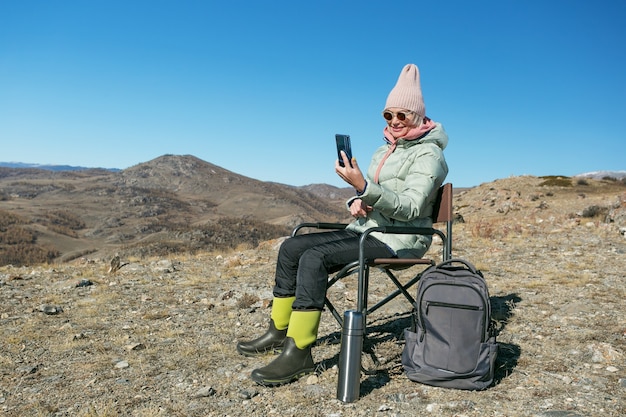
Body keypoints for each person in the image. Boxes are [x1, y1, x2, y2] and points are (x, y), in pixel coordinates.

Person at [236, 63, 449, 386]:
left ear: (419, 116)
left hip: (400, 238)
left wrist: (364, 187)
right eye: (388, 115)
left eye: (402, 115)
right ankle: (278, 332)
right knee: (292, 246)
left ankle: (300, 352)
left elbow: (411, 207)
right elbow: (379, 195)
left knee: (315, 257)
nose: (394, 122)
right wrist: (359, 200)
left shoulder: (429, 155)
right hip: (370, 229)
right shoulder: (384, 149)